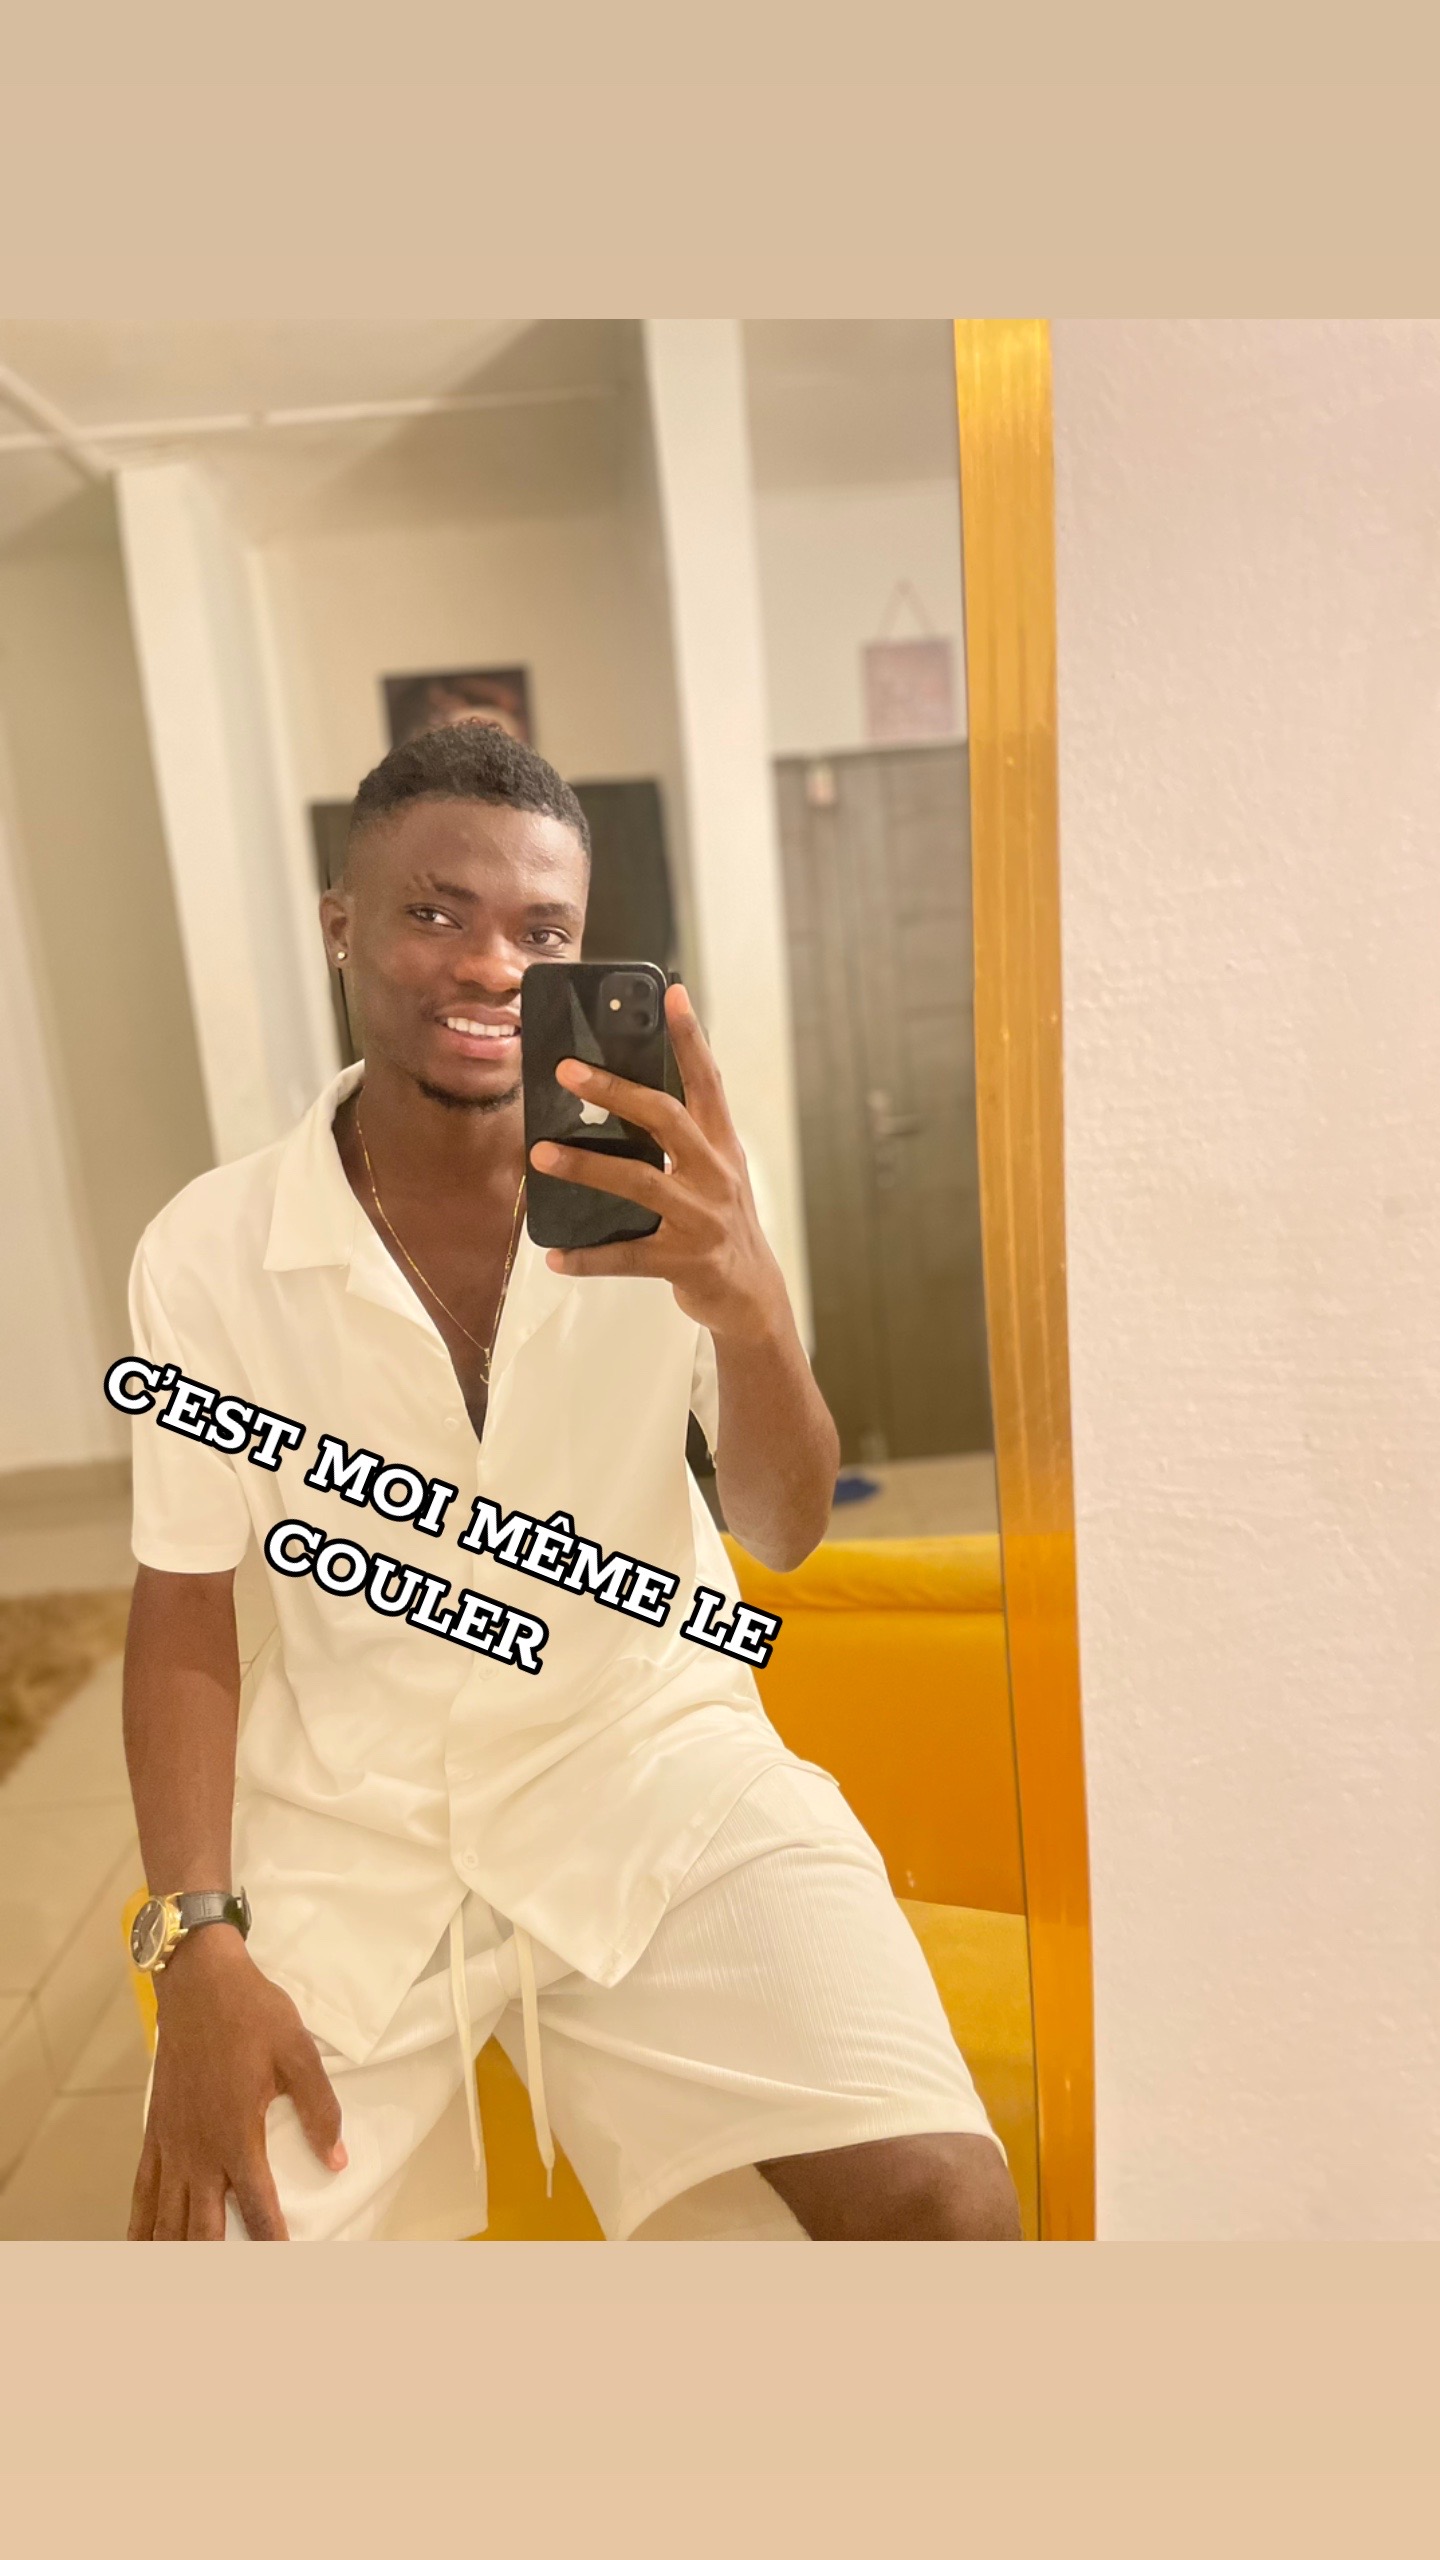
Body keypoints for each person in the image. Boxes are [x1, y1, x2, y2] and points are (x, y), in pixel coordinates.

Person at [121, 720, 1019, 2244]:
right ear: (341, 926)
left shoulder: (677, 1198)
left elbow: (787, 1526)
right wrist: (194, 1941)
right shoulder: (208, 1253)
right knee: (205, 2257)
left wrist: (751, 1308)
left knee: (949, 2204)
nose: (490, 964)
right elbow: (185, 1607)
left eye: (541, 931)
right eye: (434, 912)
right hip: (351, 1822)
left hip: (656, 1771)